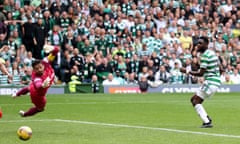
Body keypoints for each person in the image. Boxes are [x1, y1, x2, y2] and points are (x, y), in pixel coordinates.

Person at [180, 36, 221, 128]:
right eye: (197, 43)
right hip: (214, 81)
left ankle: (207, 122)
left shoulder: (205, 55)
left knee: (195, 100)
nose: (198, 45)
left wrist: (186, 71)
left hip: (211, 82)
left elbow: (200, 73)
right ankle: (206, 118)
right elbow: (220, 67)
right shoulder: (211, 53)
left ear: (206, 44)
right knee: (194, 99)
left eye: (200, 43)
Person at [12, 44, 59, 117]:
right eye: (37, 69)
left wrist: (53, 48)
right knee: (40, 108)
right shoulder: (36, 77)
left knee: (29, 88)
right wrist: (43, 85)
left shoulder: (45, 61)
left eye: (40, 67)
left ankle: (17, 94)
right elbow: (38, 85)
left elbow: (56, 51)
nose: (39, 70)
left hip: (34, 88)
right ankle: (25, 114)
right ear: (34, 70)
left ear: (43, 65)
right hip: (37, 95)